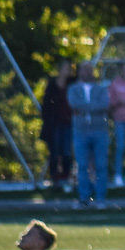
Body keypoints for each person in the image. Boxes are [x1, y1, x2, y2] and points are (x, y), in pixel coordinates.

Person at [67, 60, 111, 208]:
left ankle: (100, 198)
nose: (87, 72)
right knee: (82, 165)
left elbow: (104, 104)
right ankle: (84, 197)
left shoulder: (101, 89)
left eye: (89, 70)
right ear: (79, 72)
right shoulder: (73, 89)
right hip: (80, 131)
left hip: (100, 130)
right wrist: (93, 108)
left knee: (101, 165)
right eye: (84, 70)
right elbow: (74, 103)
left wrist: (85, 108)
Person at [39, 60, 76, 192]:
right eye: (65, 68)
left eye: (69, 69)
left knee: (66, 152)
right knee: (54, 151)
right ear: (60, 69)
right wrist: (47, 121)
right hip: (55, 124)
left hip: (68, 123)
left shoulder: (72, 83)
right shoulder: (52, 84)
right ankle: (54, 178)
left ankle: (66, 178)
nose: (67, 71)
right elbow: (46, 105)